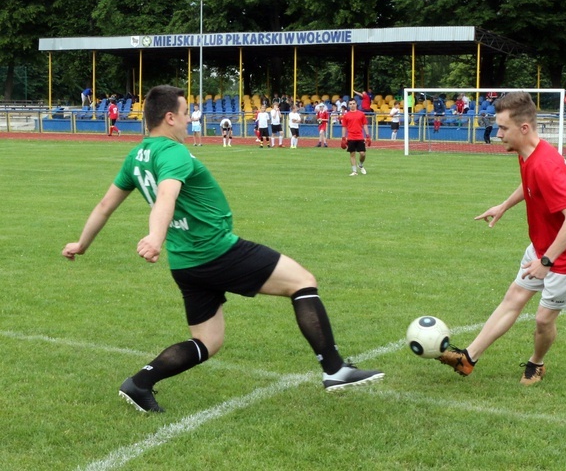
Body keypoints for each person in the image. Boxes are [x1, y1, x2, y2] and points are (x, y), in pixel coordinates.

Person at [61, 85, 384, 413]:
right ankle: (335, 369)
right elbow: (166, 197)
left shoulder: (136, 156)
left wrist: (81, 244)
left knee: (208, 342)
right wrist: (155, 236)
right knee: (302, 281)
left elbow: (105, 205)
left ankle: (139, 383)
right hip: (217, 251)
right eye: (185, 114)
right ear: (170, 117)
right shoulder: (172, 153)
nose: (189, 120)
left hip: (186, 263)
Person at [438, 91, 566, 385]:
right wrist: (503, 205)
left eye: (503, 128)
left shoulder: (546, 164)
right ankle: (468, 358)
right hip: (544, 246)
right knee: (513, 299)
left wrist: (546, 261)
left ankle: (537, 363)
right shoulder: (529, 154)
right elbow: (530, 183)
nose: (498, 134)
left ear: (524, 128)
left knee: (543, 320)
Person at [341, 99, 370, 176]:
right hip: (351, 137)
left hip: (360, 136)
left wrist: (368, 136)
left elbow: (365, 125)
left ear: (356, 104)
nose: (352, 105)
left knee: (362, 153)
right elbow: (344, 127)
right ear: (348, 105)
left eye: (353, 103)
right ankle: (354, 171)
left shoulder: (361, 114)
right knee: (352, 154)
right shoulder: (346, 115)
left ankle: (360, 165)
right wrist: (343, 137)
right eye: (350, 104)